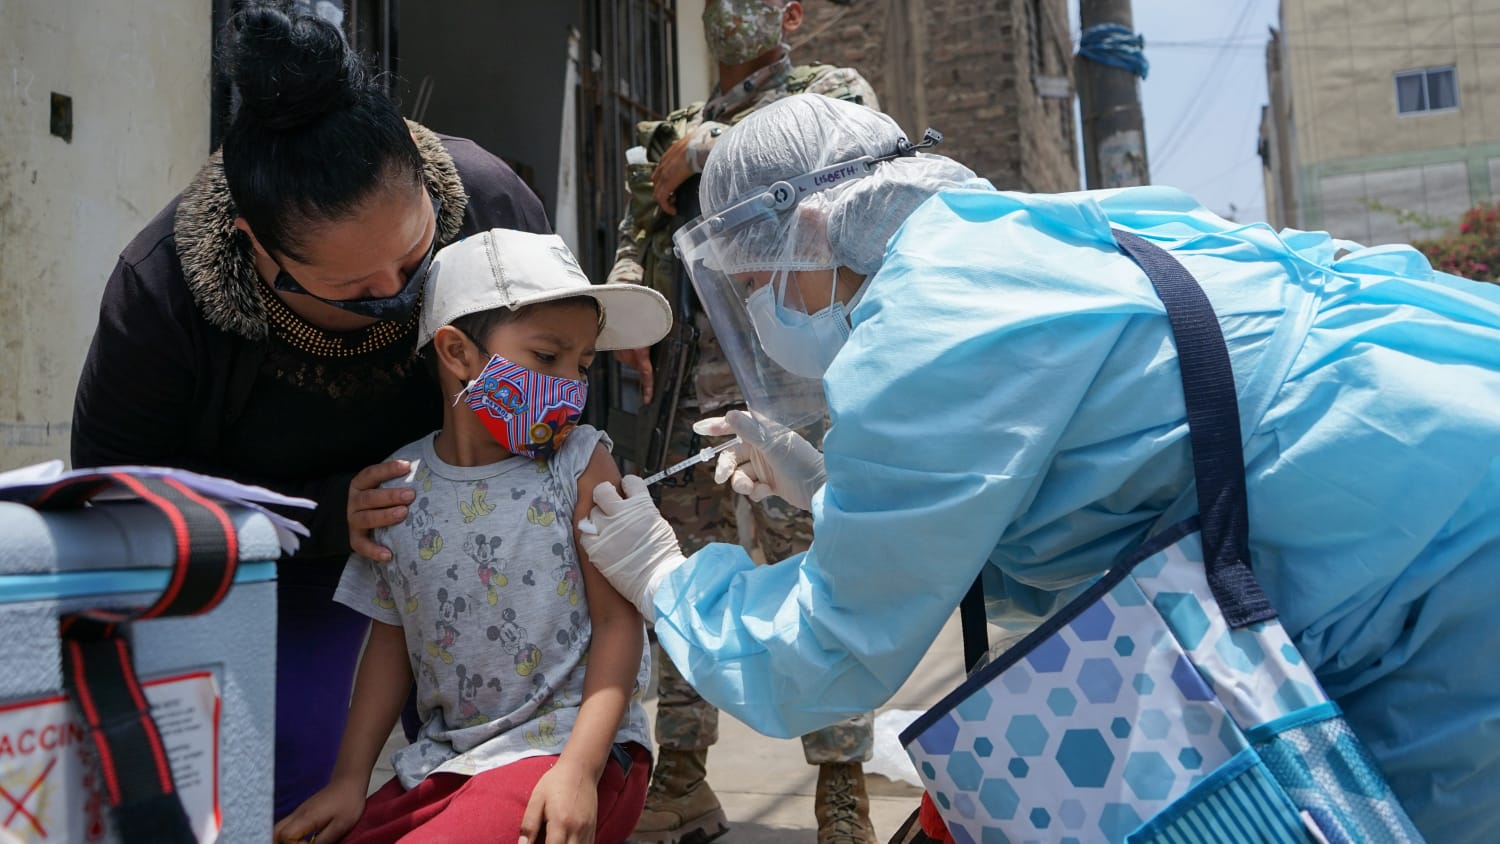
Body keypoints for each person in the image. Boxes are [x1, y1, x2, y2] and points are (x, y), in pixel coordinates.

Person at [576, 93, 1500, 843]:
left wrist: (667, 578)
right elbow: (1077, 483)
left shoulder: (921, 331)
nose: (765, 308)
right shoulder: (1003, 233)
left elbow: (827, 656)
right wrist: (829, 487)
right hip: (1437, 424)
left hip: (1420, 547)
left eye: (757, 279)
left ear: (814, 225)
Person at [68, 3, 549, 820]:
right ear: (256, 246)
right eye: (355, 293)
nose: (399, 299)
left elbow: (551, 385)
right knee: (289, 771)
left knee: (505, 764)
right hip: (283, 567)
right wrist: (326, 516)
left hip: (480, 539)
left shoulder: (489, 205)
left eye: (414, 260)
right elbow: (114, 500)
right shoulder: (163, 296)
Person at [272, 228, 672, 844]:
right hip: (446, 765)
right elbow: (390, 641)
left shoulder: (581, 462)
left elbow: (621, 626)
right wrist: (349, 782)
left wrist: (578, 770)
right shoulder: (400, 484)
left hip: (575, 754)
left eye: (583, 364)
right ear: (457, 353)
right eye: (547, 357)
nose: (570, 386)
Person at [605, 3, 879, 841]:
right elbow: (637, 236)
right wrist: (629, 317)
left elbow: (856, 167)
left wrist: (717, 152)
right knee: (686, 574)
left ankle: (841, 786)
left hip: (793, 391)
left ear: (791, 14)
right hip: (693, 396)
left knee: (818, 572)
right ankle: (684, 772)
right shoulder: (676, 129)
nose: (730, 13)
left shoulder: (827, 89)